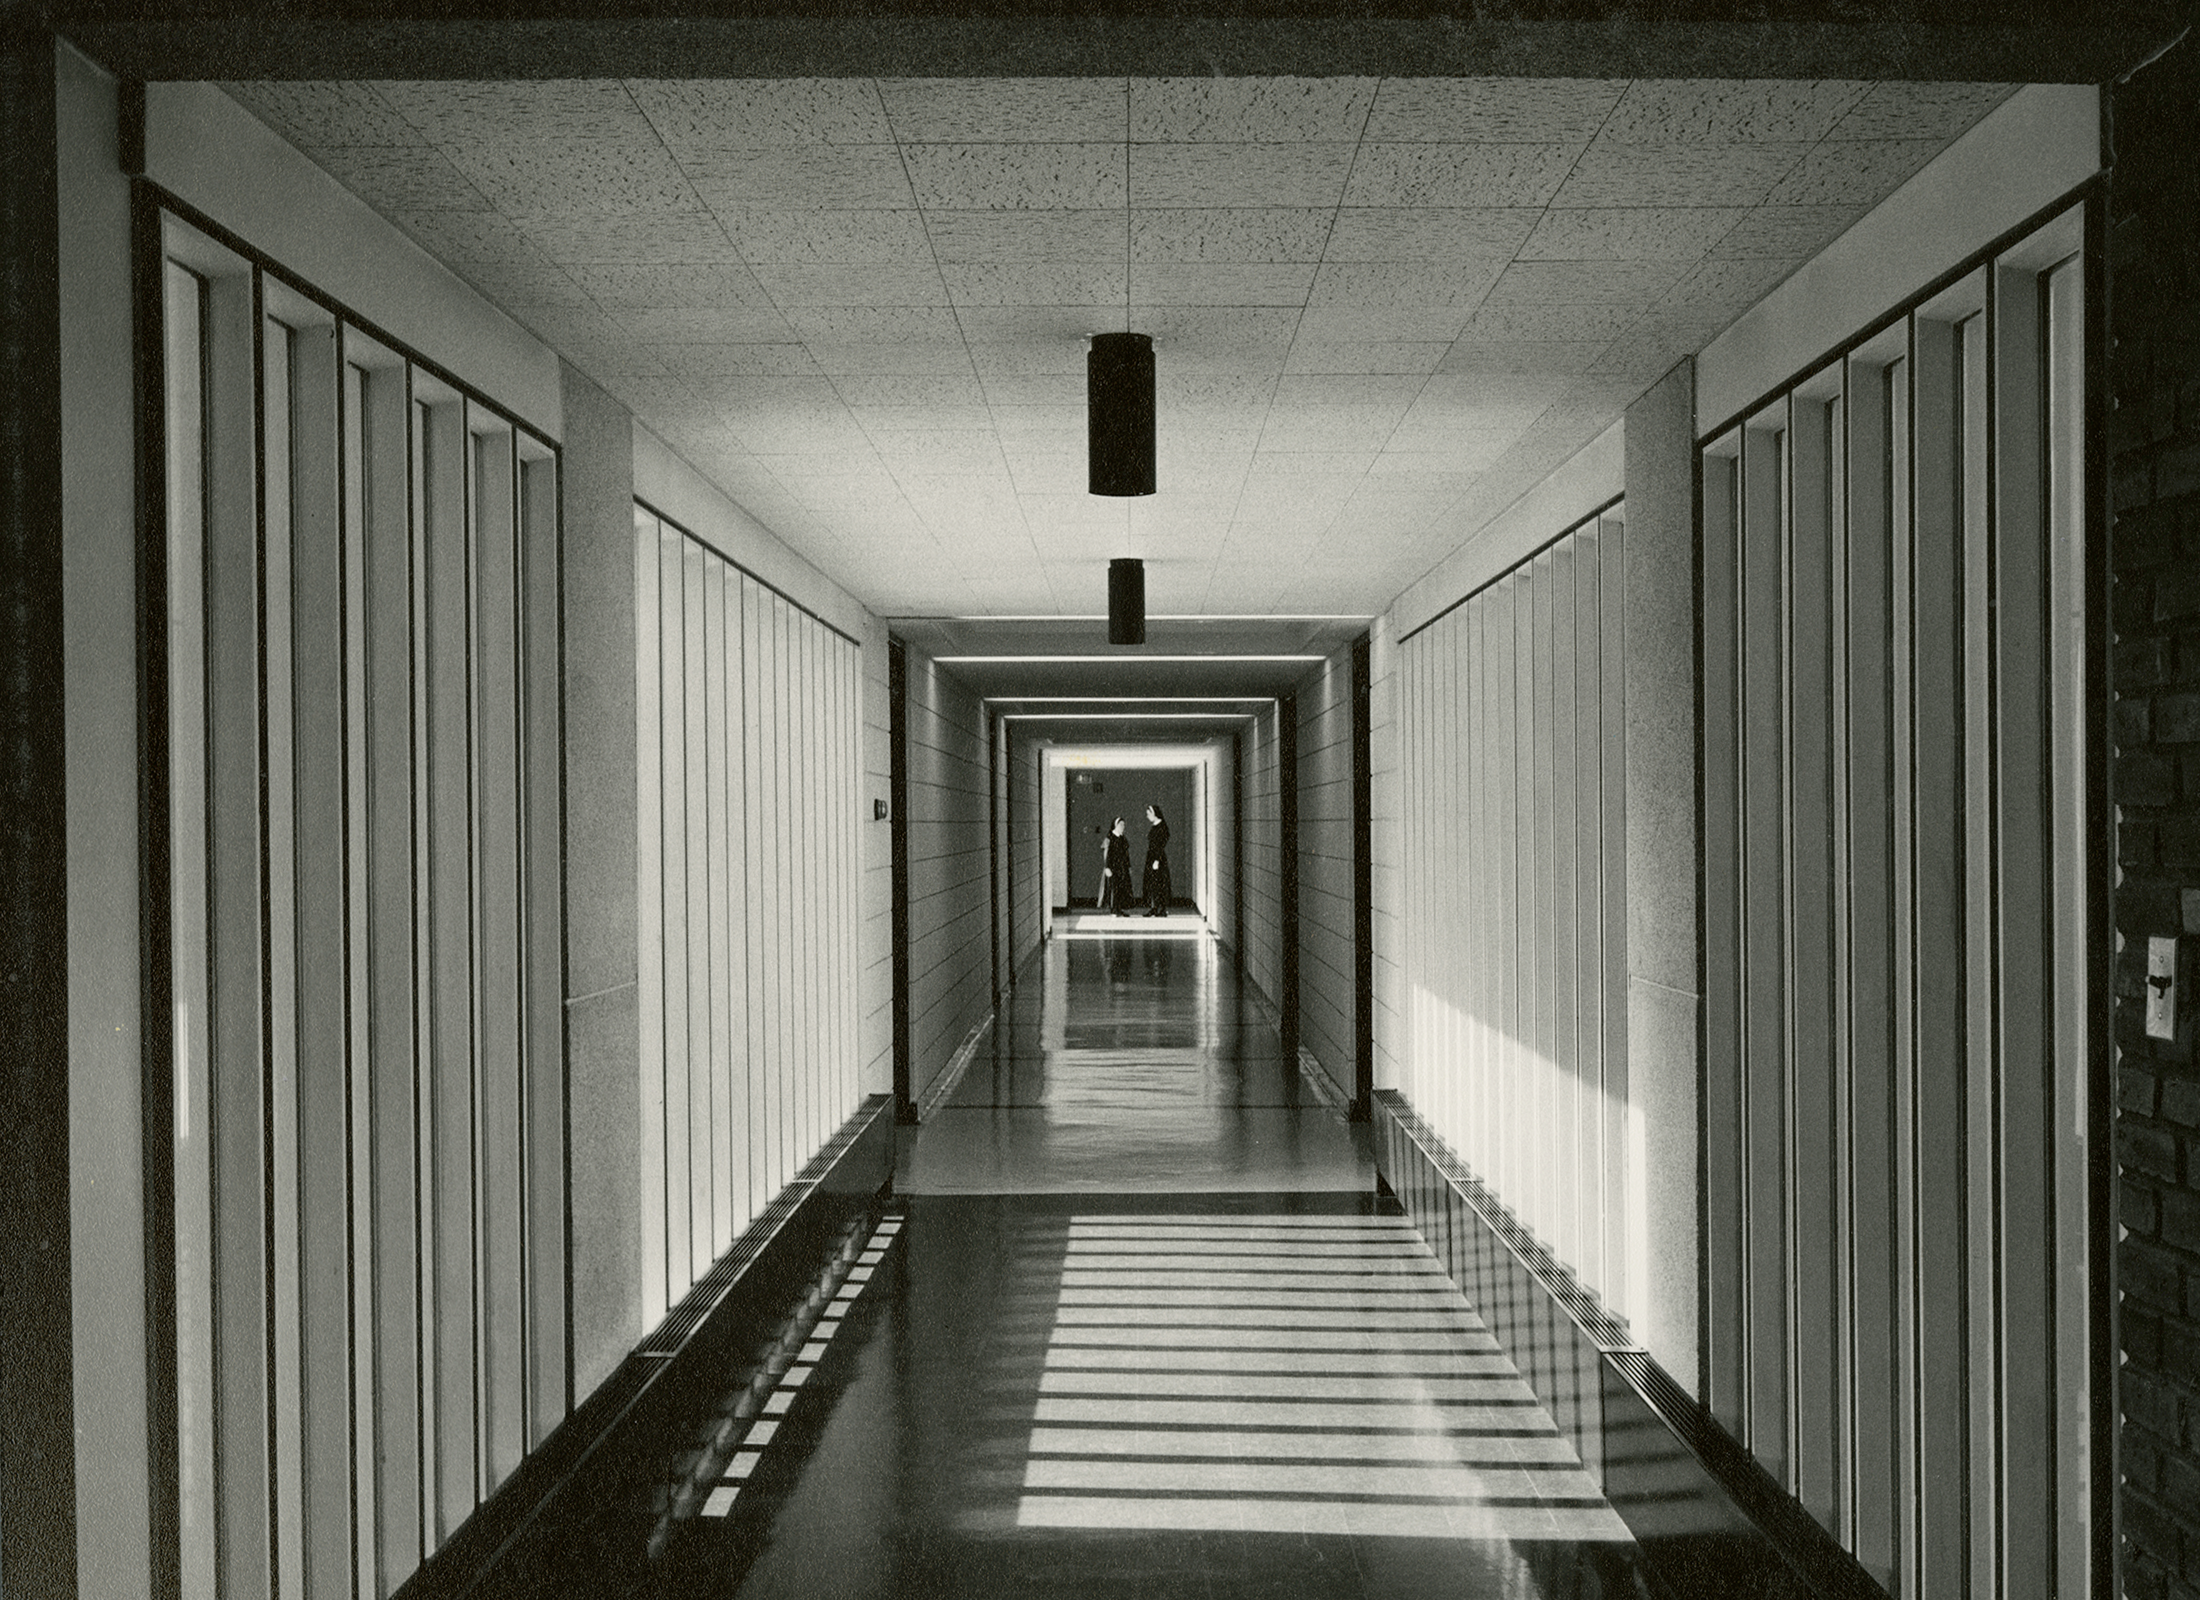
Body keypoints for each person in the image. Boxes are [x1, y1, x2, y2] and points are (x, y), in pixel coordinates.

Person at [1099, 817, 1134, 916]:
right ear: (1116, 825)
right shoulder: (1110, 837)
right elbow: (1106, 854)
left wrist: (1128, 866)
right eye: (1121, 824)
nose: (1123, 827)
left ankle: (1119, 908)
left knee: (1122, 888)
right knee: (1114, 888)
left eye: (1124, 824)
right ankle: (1114, 909)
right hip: (1113, 867)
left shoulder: (1122, 838)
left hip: (1122, 868)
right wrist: (1107, 867)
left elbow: (1126, 854)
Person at [1142, 804, 1172, 917]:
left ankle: (1162, 908)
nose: (1147, 816)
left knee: (1160, 883)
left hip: (1157, 858)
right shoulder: (1155, 826)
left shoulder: (1162, 826)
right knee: (1152, 883)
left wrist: (1157, 860)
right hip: (1151, 857)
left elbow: (1161, 844)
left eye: (1149, 814)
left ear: (1154, 813)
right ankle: (1154, 907)